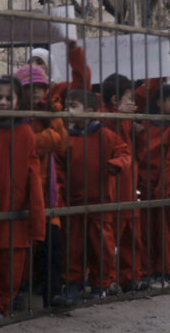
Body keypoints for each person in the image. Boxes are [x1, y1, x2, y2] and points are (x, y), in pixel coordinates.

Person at [55, 90, 133, 306]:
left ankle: (101, 284)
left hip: (100, 203)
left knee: (102, 246)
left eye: (72, 106)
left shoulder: (105, 135)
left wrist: (117, 165)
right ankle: (72, 284)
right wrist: (60, 196)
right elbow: (59, 169)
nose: (66, 110)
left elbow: (124, 152)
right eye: (66, 105)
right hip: (74, 204)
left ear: (89, 111)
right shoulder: (66, 138)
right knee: (73, 246)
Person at [0, 76, 45, 319]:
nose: (4, 102)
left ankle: (0, 304)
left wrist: (35, 213)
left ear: (18, 102)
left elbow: (33, 172)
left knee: (9, 263)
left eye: (9, 98)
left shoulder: (25, 131)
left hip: (14, 206)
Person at [13, 64, 67, 306]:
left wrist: (54, 116)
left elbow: (62, 141)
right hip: (23, 190)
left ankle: (52, 293)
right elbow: (26, 144)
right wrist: (49, 138)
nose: (37, 93)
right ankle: (17, 291)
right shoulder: (17, 116)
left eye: (41, 88)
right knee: (23, 245)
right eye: (31, 88)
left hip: (47, 192)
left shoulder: (47, 113)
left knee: (52, 244)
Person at [137, 84, 170, 284]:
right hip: (147, 186)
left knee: (166, 230)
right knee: (147, 229)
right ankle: (149, 269)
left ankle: (167, 270)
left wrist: (162, 188)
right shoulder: (147, 126)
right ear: (159, 102)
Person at [99, 73, 144, 290]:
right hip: (114, 187)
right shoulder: (106, 119)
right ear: (116, 101)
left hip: (128, 186)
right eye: (129, 99)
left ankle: (130, 277)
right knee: (110, 237)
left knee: (131, 235)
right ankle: (107, 279)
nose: (134, 104)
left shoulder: (124, 119)